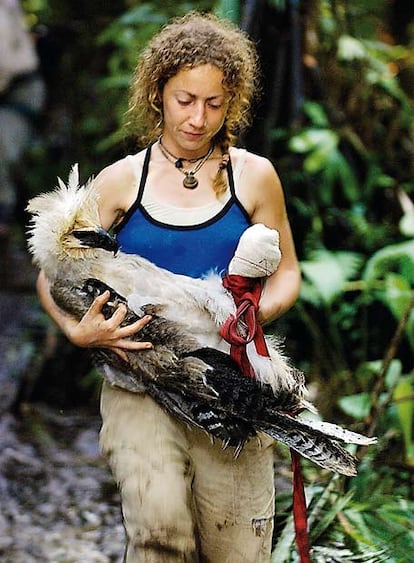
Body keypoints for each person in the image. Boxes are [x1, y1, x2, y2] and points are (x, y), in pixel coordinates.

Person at [36, 11, 301, 562]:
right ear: (158, 94)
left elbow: (288, 272)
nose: (198, 118)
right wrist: (77, 331)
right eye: (185, 100)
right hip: (138, 383)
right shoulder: (119, 181)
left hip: (232, 386)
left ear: (232, 102)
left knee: (238, 551)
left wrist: (249, 322)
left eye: (214, 103)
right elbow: (52, 272)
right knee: (161, 536)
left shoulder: (255, 176)